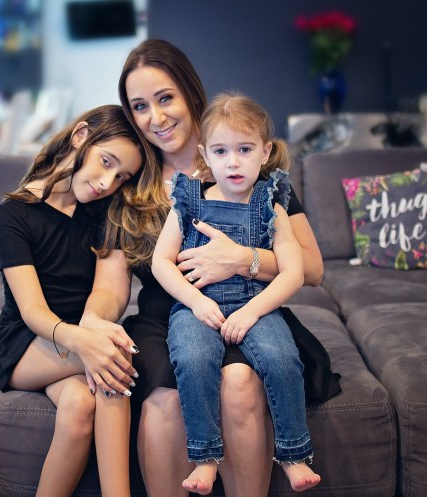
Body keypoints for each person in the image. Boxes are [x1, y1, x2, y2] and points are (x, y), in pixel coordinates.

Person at [81, 39, 337, 497]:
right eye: (140, 106)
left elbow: (312, 268)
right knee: (164, 396)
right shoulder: (128, 185)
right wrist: (91, 325)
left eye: (165, 99)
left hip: (251, 308)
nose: (156, 118)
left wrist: (245, 259)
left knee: (239, 381)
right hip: (172, 316)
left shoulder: (247, 166)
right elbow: (112, 285)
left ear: (190, 93)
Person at [152, 92, 321, 495]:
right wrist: (195, 301)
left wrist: (253, 311)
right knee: (193, 359)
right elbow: (162, 262)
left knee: (282, 359)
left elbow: (295, 271)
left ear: (264, 153)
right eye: (221, 151)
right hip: (199, 305)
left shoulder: (271, 204)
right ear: (204, 155)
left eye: (244, 149)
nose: (232, 161)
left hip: (256, 304)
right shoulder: (188, 201)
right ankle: (205, 457)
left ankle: (295, 454)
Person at [0, 104, 158, 497]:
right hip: (25, 342)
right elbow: (31, 311)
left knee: (81, 403)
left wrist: (91, 329)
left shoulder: (104, 212)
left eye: (121, 176)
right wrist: (82, 340)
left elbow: (106, 290)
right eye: (105, 162)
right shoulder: (12, 215)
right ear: (81, 135)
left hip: (78, 335)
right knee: (113, 355)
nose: (107, 182)